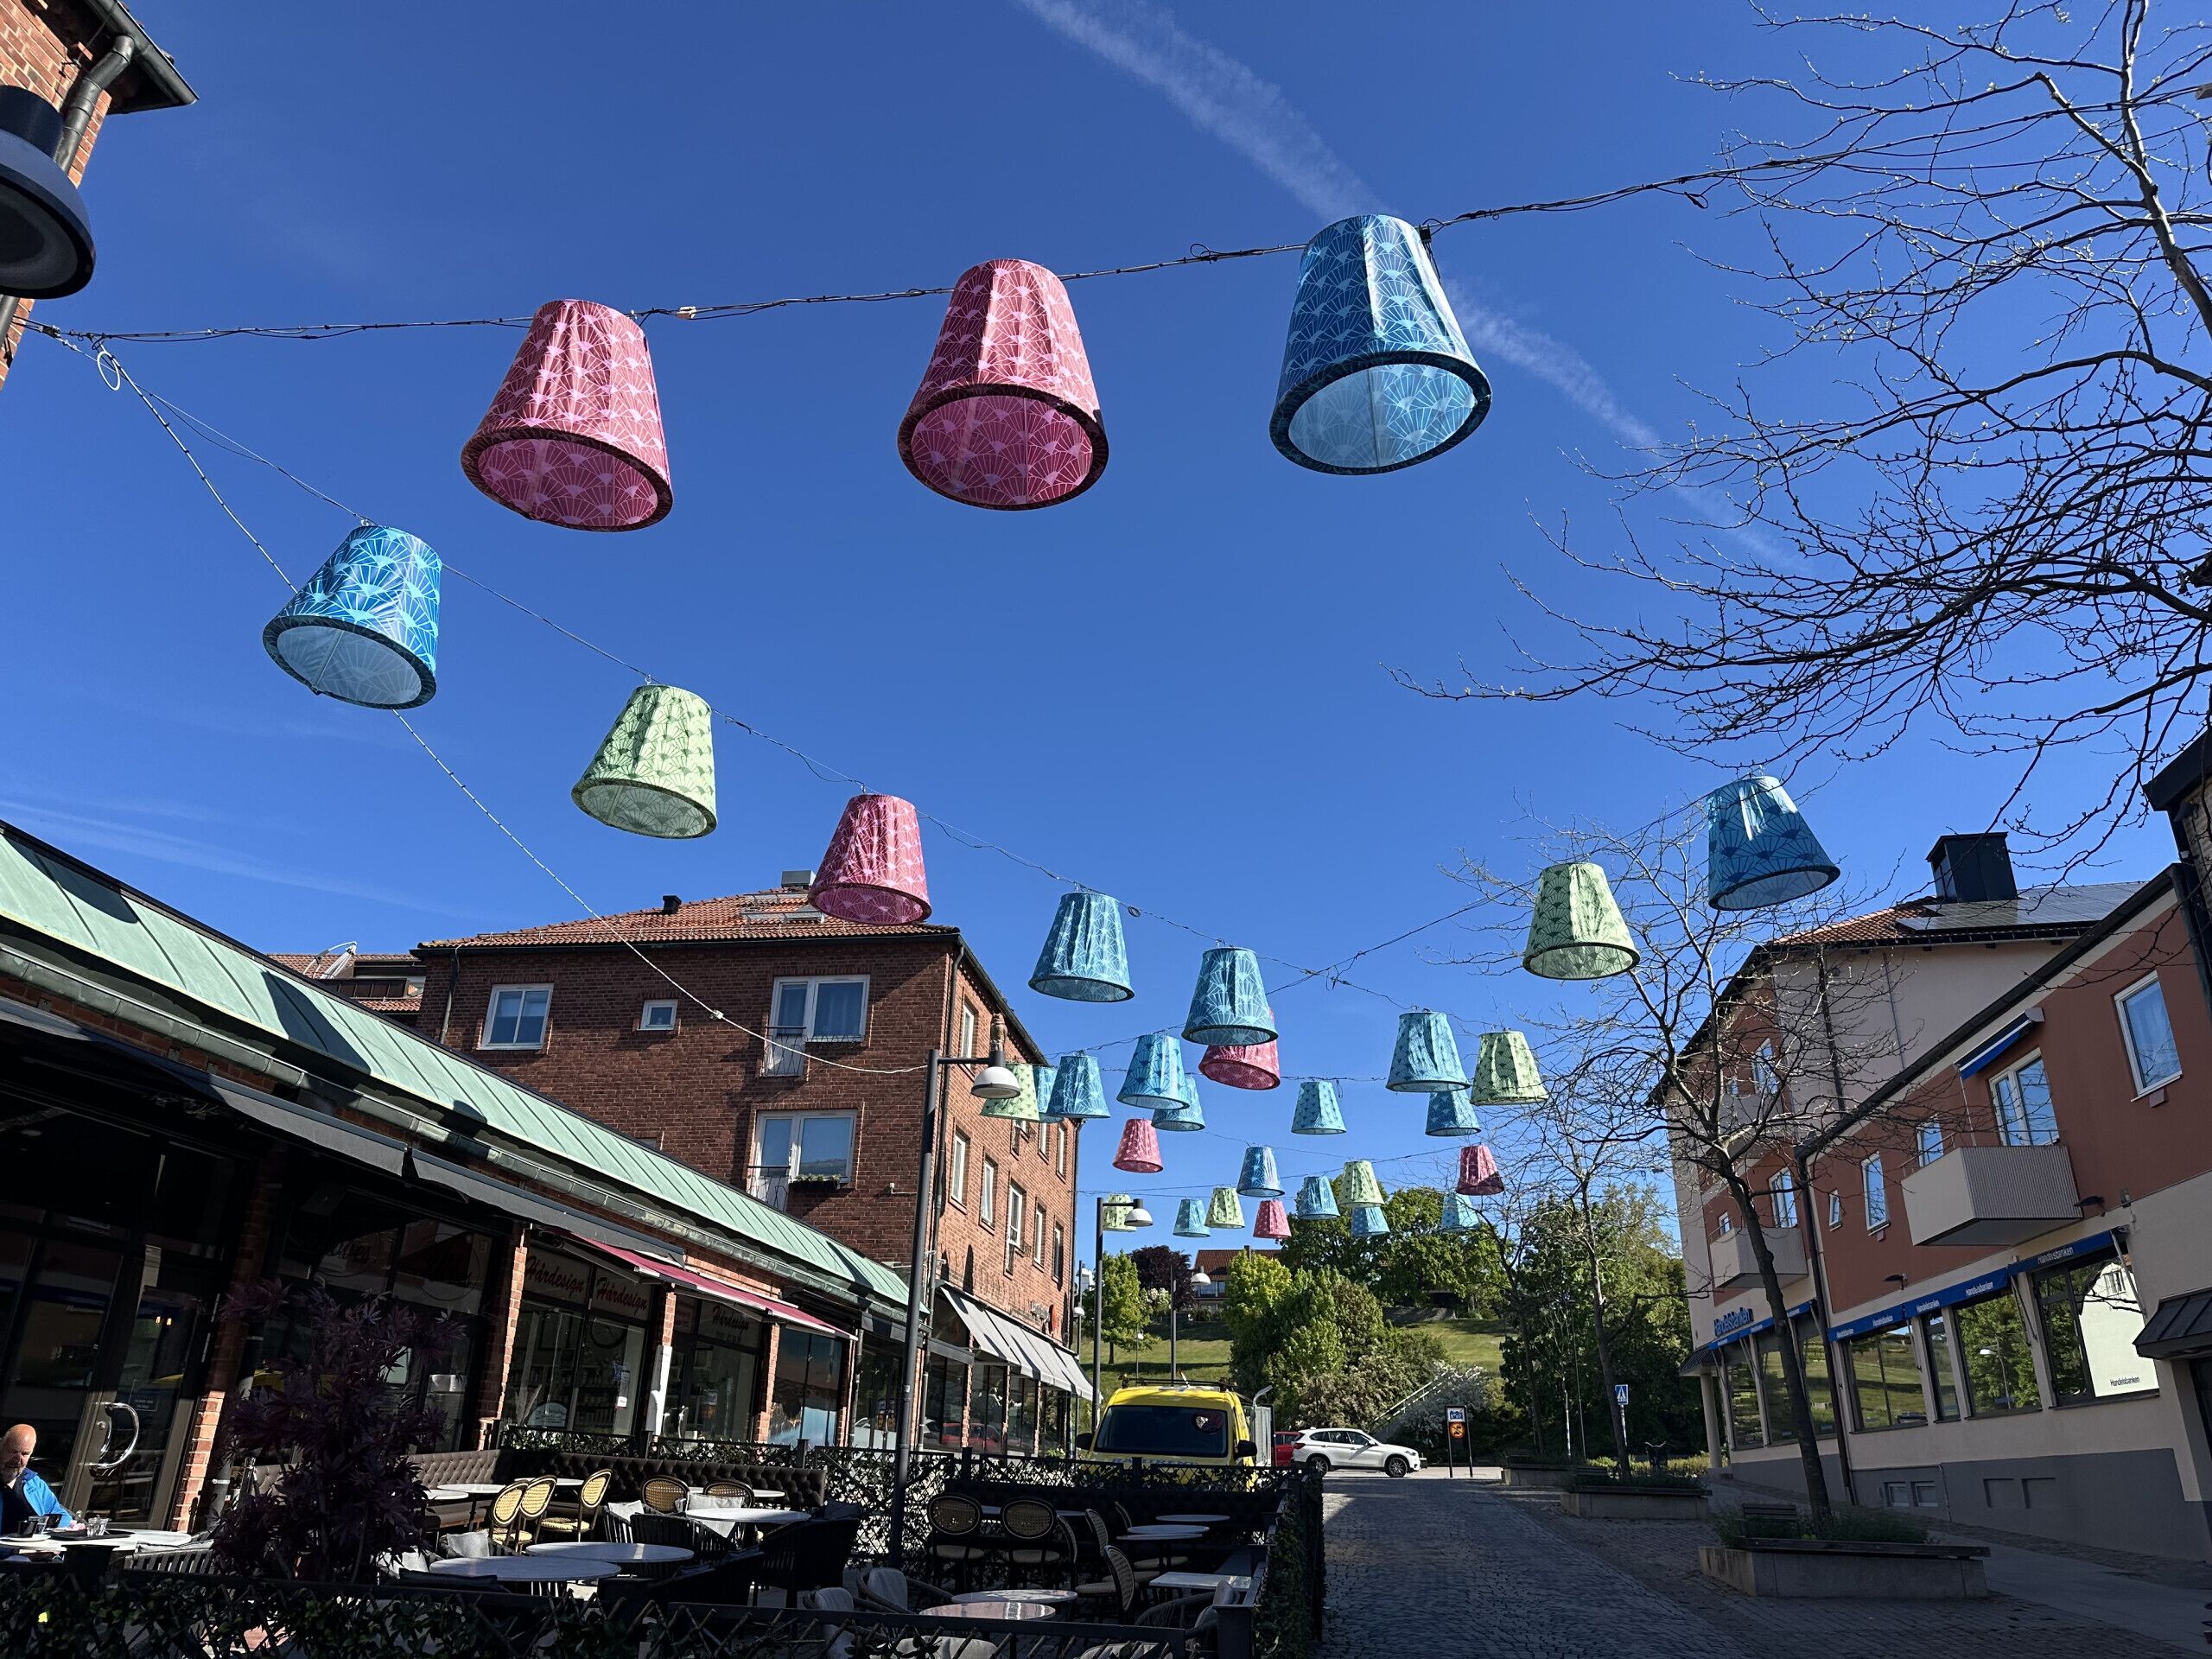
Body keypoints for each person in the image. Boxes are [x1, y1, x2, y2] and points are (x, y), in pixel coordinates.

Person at [0, 1424, 72, 1533]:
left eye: (25, 1454)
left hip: (31, 1548)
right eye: (13, 1452)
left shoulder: (33, 1482)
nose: (18, 1459)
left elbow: (60, 1515)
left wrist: (48, 1531)